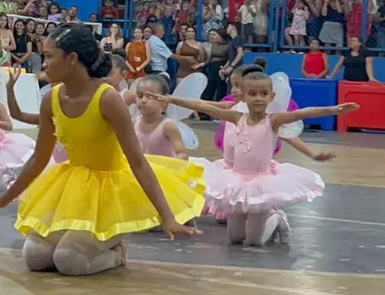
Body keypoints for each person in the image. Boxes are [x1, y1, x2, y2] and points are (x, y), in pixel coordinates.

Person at [0, 24, 203, 276]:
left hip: (110, 190)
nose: (44, 64)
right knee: (35, 256)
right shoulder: (51, 99)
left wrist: (167, 217)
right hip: (74, 186)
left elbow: (137, 162)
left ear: (72, 59)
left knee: (69, 260)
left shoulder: (107, 98)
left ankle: (116, 253)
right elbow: (39, 159)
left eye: (49, 56)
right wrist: (2, 200)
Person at [152, 69, 357, 246]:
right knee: (235, 238)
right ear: (244, 96)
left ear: (271, 97)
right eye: (252, 94)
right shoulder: (236, 118)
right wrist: (173, 99)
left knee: (254, 241)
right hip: (236, 180)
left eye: (263, 94)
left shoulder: (274, 120)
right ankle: (253, 225)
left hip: (262, 181)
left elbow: (304, 113)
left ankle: (276, 218)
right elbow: (206, 107)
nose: (258, 98)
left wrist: (334, 110)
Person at [132, 75, 188, 159]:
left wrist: (171, 164)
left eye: (150, 97)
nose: (143, 100)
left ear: (164, 101)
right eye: (140, 96)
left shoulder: (168, 126)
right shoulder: (133, 123)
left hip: (164, 170)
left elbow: (182, 154)